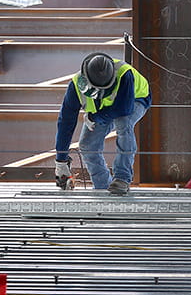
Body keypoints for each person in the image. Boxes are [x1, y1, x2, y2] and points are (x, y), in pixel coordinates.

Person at [54, 53, 151, 195]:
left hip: (137, 99)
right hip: (102, 110)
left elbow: (124, 109)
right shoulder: (75, 86)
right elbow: (66, 123)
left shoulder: (124, 74)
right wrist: (61, 160)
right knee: (87, 145)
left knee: (123, 123)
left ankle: (122, 178)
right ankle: (103, 186)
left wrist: (95, 117)